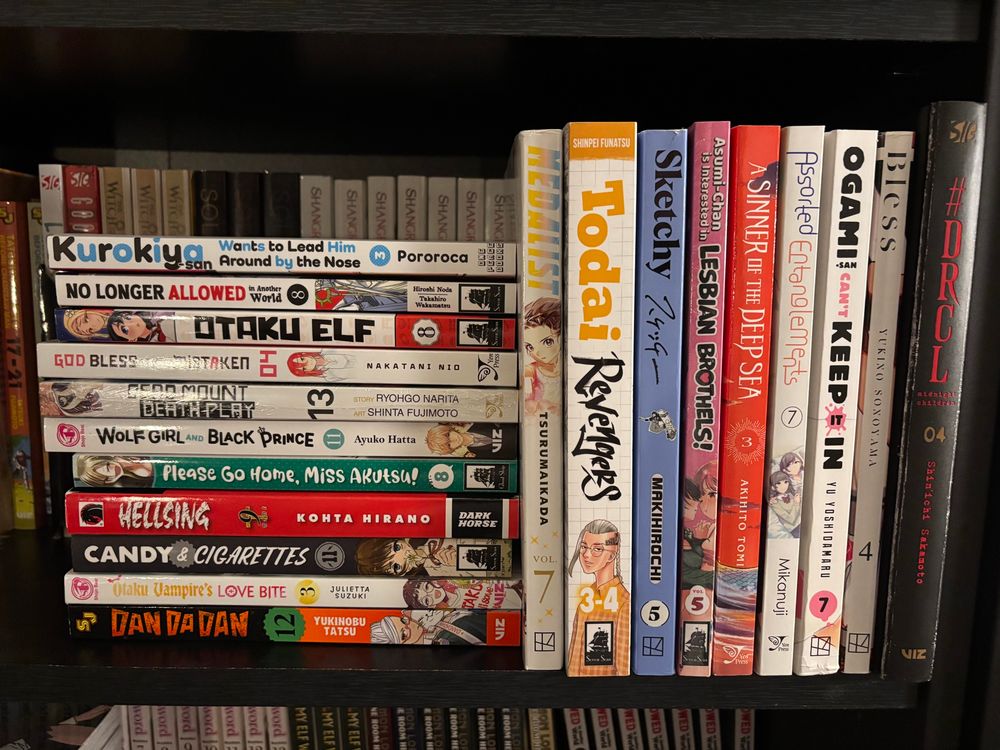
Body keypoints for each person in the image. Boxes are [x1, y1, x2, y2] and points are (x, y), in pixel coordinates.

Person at [566, 519, 631, 676]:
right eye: (583, 547)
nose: (586, 555)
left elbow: (622, 668)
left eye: (597, 549)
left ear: (611, 555)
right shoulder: (587, 595)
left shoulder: (623, 603)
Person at [522, 297, 561, 416]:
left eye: (547, 342)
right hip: (541, 417)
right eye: (530, 347)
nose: (537, 353)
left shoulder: (567, 368)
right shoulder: (532, 370)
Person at [354, 538, 460, 576]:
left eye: (396, 547)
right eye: (396, 567)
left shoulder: (424, 534)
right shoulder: (432, 578)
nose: (405, 555)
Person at [75, 455, 154, 488]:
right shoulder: (128, 484)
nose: (112, 474)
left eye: (108, 466)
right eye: (106, 479)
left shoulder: (129, 453)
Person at [423, 423, 493, 458]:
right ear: (451, 450)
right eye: (449, 445)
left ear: (449, 429)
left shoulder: (475, 423)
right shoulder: (473, 455)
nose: (453, 440)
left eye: (448, 435)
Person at [767, 469, 801, 538]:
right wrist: (796, 503)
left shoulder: (791, 494)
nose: (783, 486)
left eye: (786, 482)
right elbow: (791, 519)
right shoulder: (775, 503)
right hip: (795, 529)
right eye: (778, 483)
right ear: (773, 487)